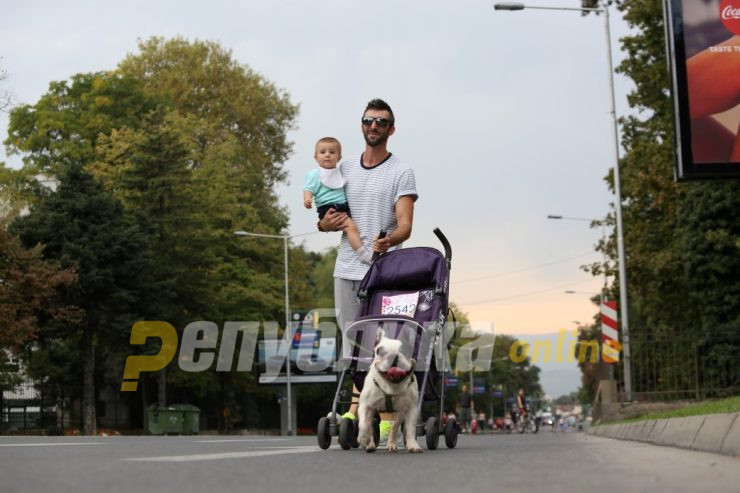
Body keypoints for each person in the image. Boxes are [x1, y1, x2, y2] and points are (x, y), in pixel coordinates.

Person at [319, 98, 417, 444]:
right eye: (368, 120)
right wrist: (325, 223)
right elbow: (327, 216)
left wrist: (388, 241)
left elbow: (405, 225)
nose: (373, 125)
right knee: (353, 342)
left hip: (386, 272)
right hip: (346, 269)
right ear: (361, 126)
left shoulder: (400, 171)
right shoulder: (342, 169)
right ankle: (361, 406)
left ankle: (390, 418)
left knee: (390, 345)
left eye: (381, 121)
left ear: (391, 129)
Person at [303, 137, 373, 264]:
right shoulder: (315, 174)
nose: (327, 155)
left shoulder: (339, 172)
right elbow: (308, 188)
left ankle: (361, 250)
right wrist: (307, 198)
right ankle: (363, 254)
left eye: (332, 152)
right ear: (316, 157)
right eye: (323, 152)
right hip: (329, 207)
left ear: (339, 157)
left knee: (352, 227)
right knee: (350, 227)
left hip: (342, 206)